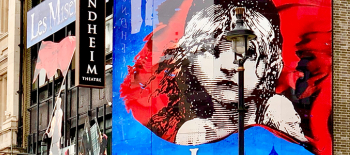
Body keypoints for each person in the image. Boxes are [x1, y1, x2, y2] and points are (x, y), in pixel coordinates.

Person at [121, 0, 307, 146]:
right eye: (210, 51)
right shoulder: (189, 132)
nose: (227, 65)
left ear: (273, 66)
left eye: (246, 53)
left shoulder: (287, 124)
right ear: (189, 61)